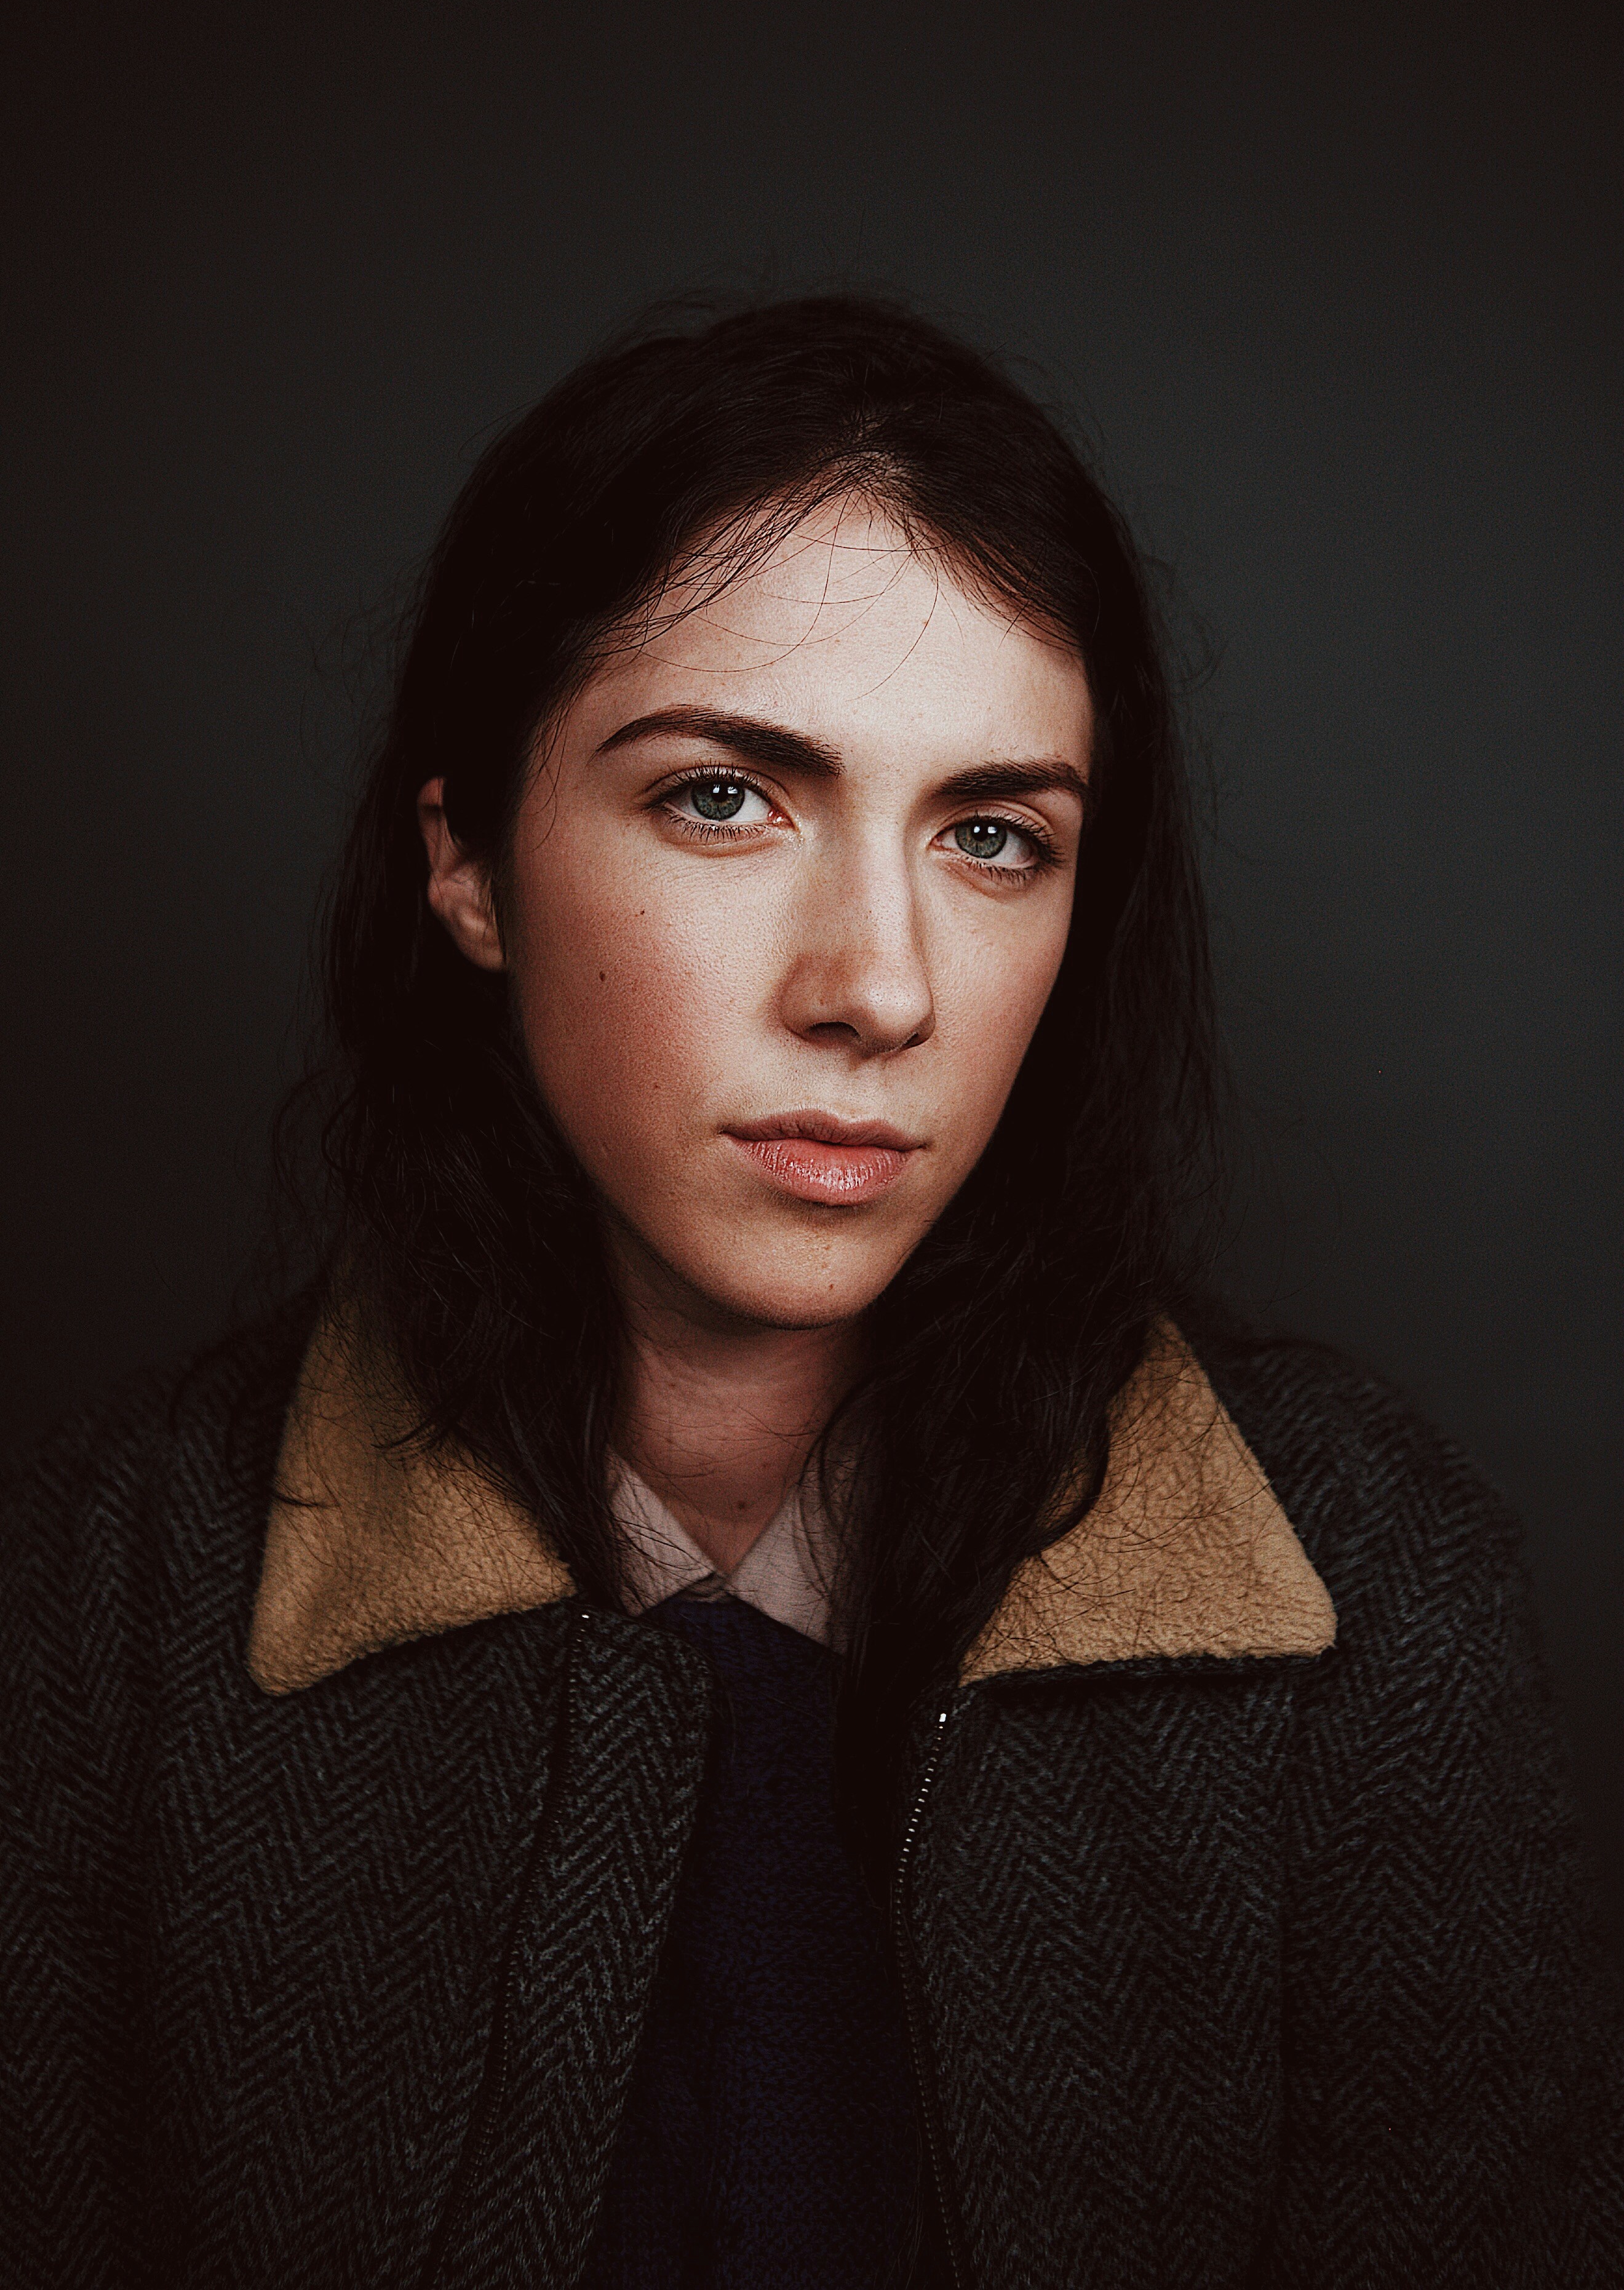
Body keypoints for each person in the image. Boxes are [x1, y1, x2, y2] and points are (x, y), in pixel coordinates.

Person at [3, 295, 1619, 2290]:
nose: (880, 986)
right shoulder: (99, 1604)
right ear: (472, 862)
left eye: (995, 836)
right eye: (723, 797)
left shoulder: (1371, 1600)